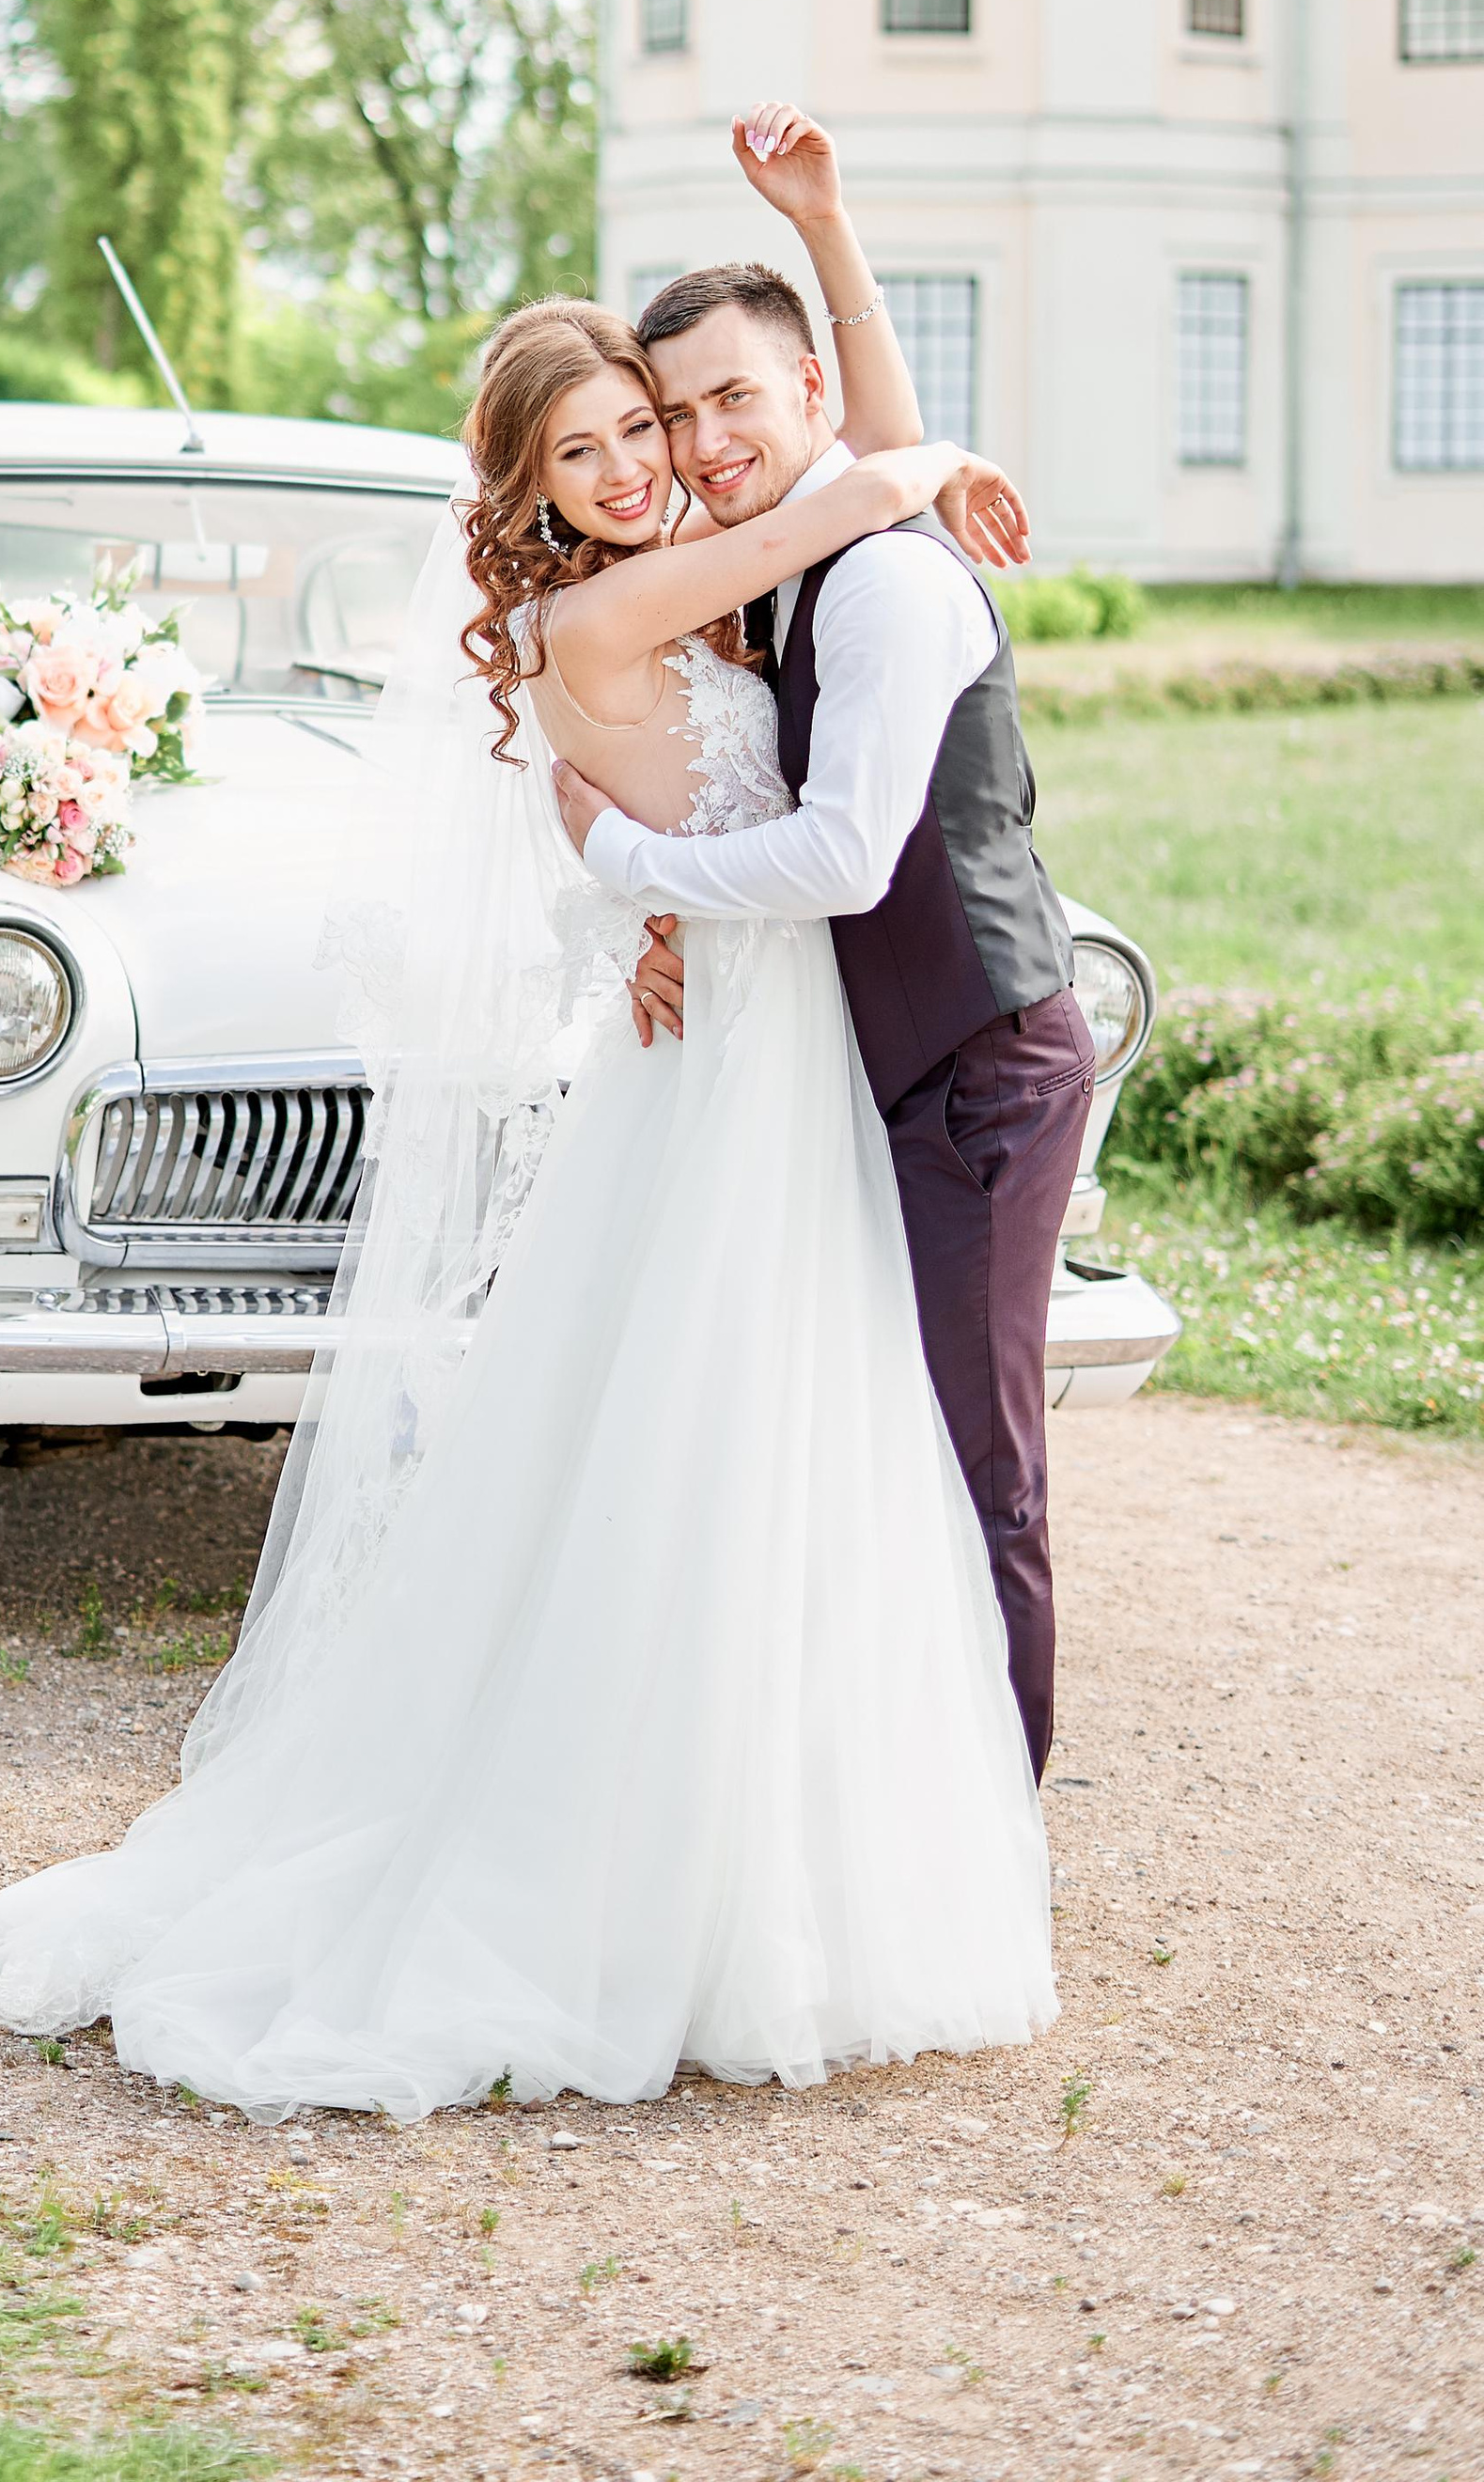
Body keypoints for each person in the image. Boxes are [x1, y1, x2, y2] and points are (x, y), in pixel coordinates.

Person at [0, 230, 1058, 2125]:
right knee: (706, 1453)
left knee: (791, 1448)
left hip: (776, 1051)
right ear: (525, 492)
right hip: (734, 1067)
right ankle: (678, 1877)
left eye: (649, 427)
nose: (641, 467)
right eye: (589, 453)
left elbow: (813, 523)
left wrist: (628, 870)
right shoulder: (607, 619)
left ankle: (797, 1843)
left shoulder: (695, 600)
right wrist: (914, 466)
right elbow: (852, 486)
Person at [551, 104, 1095, 1785]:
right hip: (866, 1063)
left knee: (975, 1448)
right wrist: (662, 917)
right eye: (672, 413)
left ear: (804, 397)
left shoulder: (881, 587)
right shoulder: (785, 564)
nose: (703, 444)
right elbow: (868, 467)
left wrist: (622, 858)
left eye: (734, 401)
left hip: (981, 1066)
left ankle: (997, 1810)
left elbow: (852, 857)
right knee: (860, 1433)